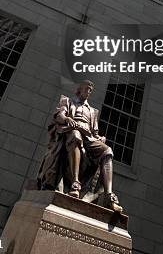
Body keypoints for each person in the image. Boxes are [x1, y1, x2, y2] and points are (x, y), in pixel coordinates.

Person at [38, 80, 122, 212]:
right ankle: (75, 183)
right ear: (80, 89)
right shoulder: (67, 101)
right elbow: (59, 116)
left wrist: (100, 138)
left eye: (90, 90)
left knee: (107, 151)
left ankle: (109, 195)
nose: (88, 92)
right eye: (86, 89)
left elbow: (95, 132)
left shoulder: (92, 111)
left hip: (88, 137)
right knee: (76, 136)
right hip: (71, 131)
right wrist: (67, 119)